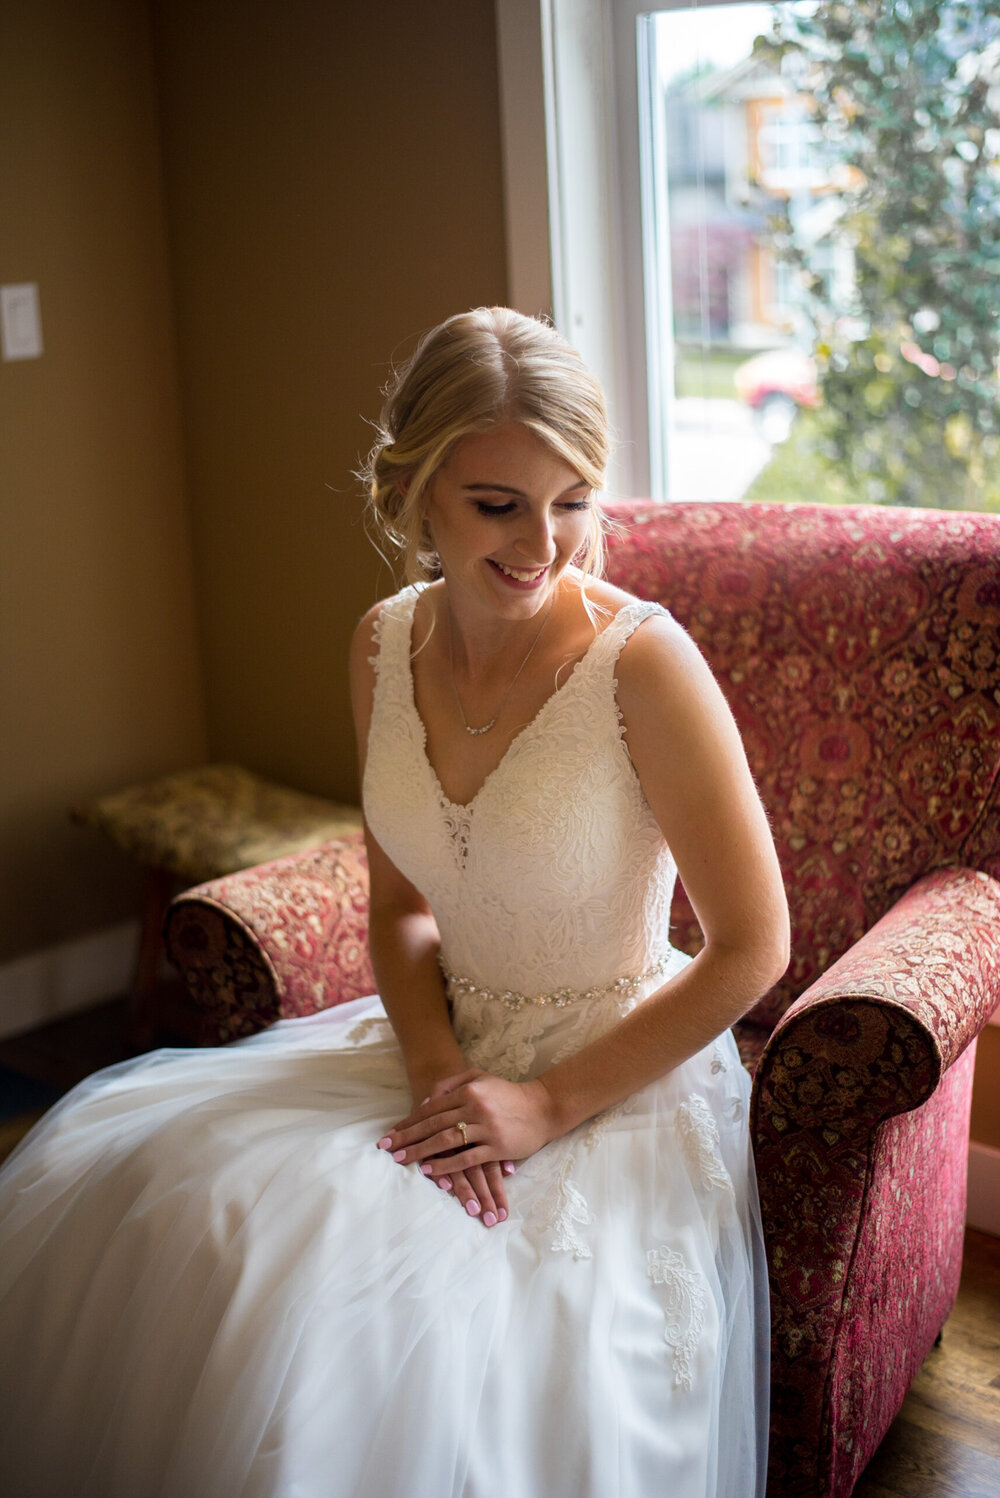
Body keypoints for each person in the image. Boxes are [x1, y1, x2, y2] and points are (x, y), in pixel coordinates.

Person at [0, 307, 789, 1498]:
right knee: (174, 1210)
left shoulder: (643, 664)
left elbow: (752, 946)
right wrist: (436, 1071)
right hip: (433, 1048)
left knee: (370, 1332)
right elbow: (404, 910)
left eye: (573, 497)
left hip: (610, 1079)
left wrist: (537, 1106)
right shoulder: (380, 646)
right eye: (498, 503)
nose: (547, 543)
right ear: (414, 490)